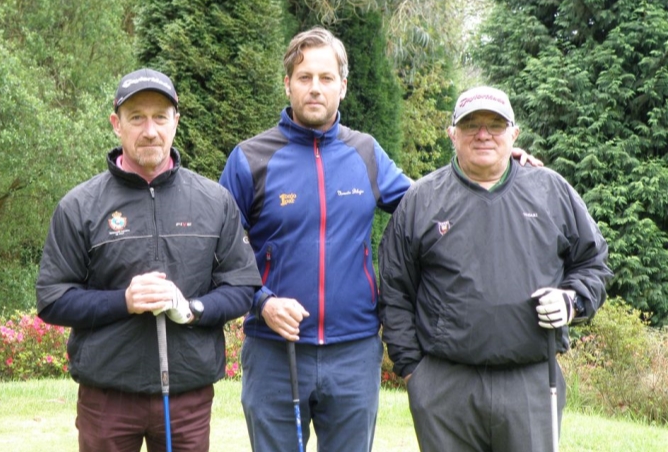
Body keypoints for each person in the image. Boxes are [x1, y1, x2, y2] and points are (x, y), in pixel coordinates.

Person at [219, 28, 542, 452]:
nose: (315, 88)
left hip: (353, 353)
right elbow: (223, 248)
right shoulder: (250, 158)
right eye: (304, 77)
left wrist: (494, 163)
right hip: (274, 353)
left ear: (343, 86)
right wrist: (261, 301)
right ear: (287, 84)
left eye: (326, 77)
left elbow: (432, 205)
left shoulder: (366, 153)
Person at [35, 68, 263, 452]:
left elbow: (241, 286)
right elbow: (52, 298)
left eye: (160, 117)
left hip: (186, 397)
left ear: (176, 121)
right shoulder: (80, 206)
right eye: (137, 117)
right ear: (116, 124)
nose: (150, 130)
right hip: (107, 396)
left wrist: (192, 308)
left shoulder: (214, 202)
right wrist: (124, 301)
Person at [378, 85, 613, 451]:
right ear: (452, 134)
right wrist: (413, 371)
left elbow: (593, 263)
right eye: (471, 124)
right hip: (443, 386)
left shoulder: (551, 190)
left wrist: (572, 301)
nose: (483, 133)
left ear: (514, 134)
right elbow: (395, 290)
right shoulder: (420, 200)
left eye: (496, 124)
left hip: (531, 383)